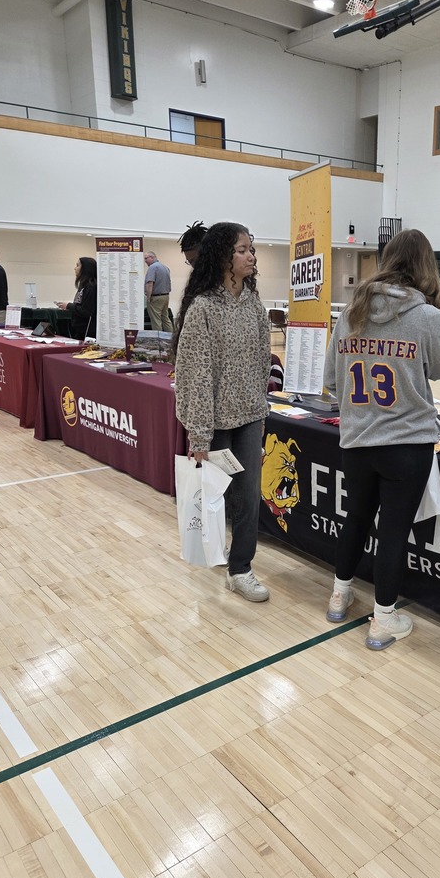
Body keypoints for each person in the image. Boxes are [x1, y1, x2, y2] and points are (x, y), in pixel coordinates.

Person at [323, 228, 440, 650]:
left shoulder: (351, 313)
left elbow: (331, 380)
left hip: (358, 440)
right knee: (394, 530)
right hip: (406, 443)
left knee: (356, 519)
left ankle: (339, 594)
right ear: (425, 266)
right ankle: (383, 618)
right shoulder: (427, 317)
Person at [173, 221, 271, 603]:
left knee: (248, 498)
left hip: (248, 418)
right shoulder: (203, 308)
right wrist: (199, 435)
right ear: (224, 257)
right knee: (217, 499)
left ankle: (241, 568)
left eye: (252, 249)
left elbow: (263, 362)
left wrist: (261, 413)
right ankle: (217, 553)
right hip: (214, 425)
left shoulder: (254, 304)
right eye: (244, 249)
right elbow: (195, 375)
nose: (251, 256)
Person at [56, 257, 97, 340]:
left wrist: (69, 306)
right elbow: (80, 305)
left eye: (78, 265)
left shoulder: (91, 287)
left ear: (85, 268)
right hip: (79, 329)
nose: (75, 268)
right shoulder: (83, 286)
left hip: (88, 332)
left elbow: (86, 311)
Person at [144, 250, 173, 331]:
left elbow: (150, 284)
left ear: (152, 257)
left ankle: (157, 341)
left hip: (156, 298)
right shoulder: (165, 267)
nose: (145, 261)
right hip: (165, 296)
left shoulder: (152, 267)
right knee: (165, 318)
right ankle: (171, 339)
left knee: (156, 321)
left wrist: (148, 298)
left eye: (146, 258)